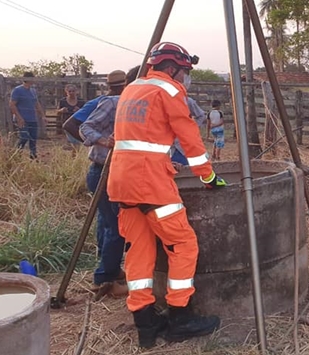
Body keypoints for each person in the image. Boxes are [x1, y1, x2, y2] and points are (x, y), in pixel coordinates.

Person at [107, 41, 227, 348]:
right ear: (173, 68)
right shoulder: (170, 91)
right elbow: (191, 142)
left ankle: (145, 323)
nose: (185, 78)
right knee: (183, 245)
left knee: (139, 251)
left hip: (122, 182)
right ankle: (180, 318)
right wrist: (209, 177)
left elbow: (141, 137)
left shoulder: (132, 89)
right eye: (184, 71)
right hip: (151, 184)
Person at [79, 68, 140, 297]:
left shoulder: (136, 104)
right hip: (103, 171)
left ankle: (110, 271)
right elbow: (85, 127)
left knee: (108, 223)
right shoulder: (114, 103)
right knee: (116, 226)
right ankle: (105, 278)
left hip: (117, 172)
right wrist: (106, 141)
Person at [10, 71, 46, 159]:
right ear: (27, 79)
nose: (33, 80)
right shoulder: (17, 90)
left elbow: (36, 104)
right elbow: (12, 104)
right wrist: (19, 118)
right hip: (22, 118)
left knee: (33, 138)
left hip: (32, 119)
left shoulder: (33, 91)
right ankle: (16, 154)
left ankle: (33, 156)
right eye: (32, 78)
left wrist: (42, 116)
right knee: (24, 137)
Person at [170, 97, 207, 166]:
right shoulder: (163, 99)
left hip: (185, 146)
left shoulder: (187, 101)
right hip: (169, 146)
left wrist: (192, 128)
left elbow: (201, 115)